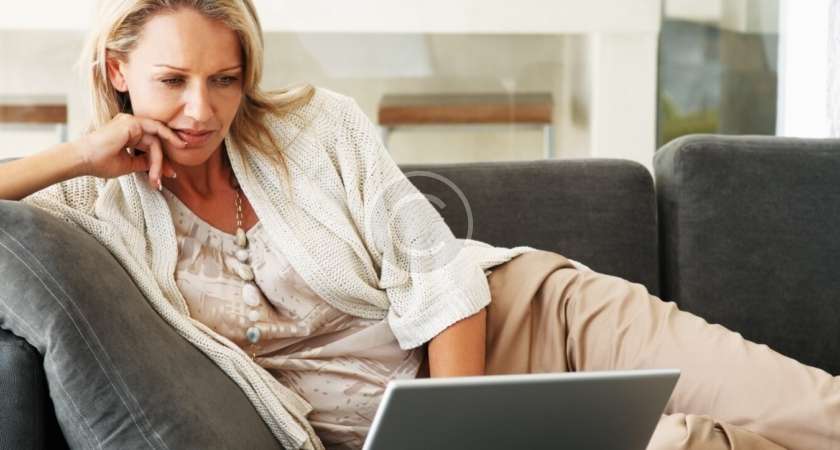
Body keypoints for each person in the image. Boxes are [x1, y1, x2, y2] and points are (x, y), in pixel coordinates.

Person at [0, 1, 836, 449]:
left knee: (817, 415)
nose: (201, 110)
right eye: (172, 80)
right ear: (117, 70)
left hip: (529, 320)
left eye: (224, 79)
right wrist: (78, 154)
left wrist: (455, 430)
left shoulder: (316, 127)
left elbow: (440, 275)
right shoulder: (94, 206)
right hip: (407, 430)